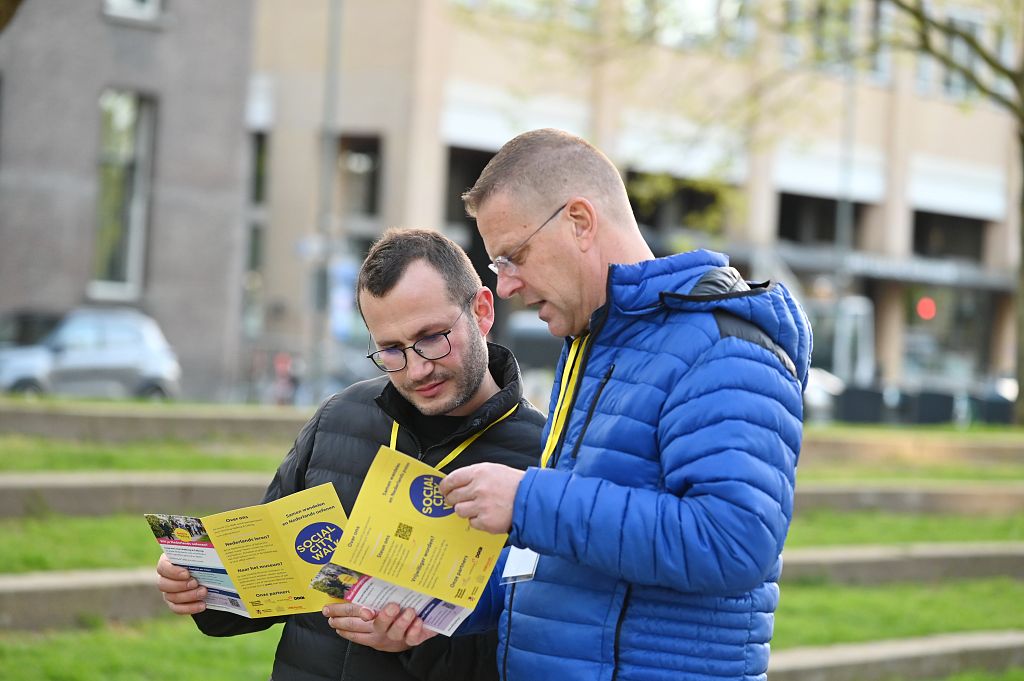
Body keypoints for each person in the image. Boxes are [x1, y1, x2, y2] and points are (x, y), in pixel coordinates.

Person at [438, 128, 813, 681]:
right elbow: (572, 560)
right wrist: (441, 608)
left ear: (580, 222)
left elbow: (734, 540)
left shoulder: (722, 348)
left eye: (514, 257)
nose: (509, 285)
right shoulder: (596, 344)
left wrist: (527, 502)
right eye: (499, 266)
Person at [156, 228, 545, 681]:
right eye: (391, 350)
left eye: (432, 337)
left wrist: (419, 642)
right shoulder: (340, 417)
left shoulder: (543, 457)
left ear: (481, 310)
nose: (416, 368)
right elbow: (269, 584)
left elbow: (534, 649)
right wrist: (201, 584)